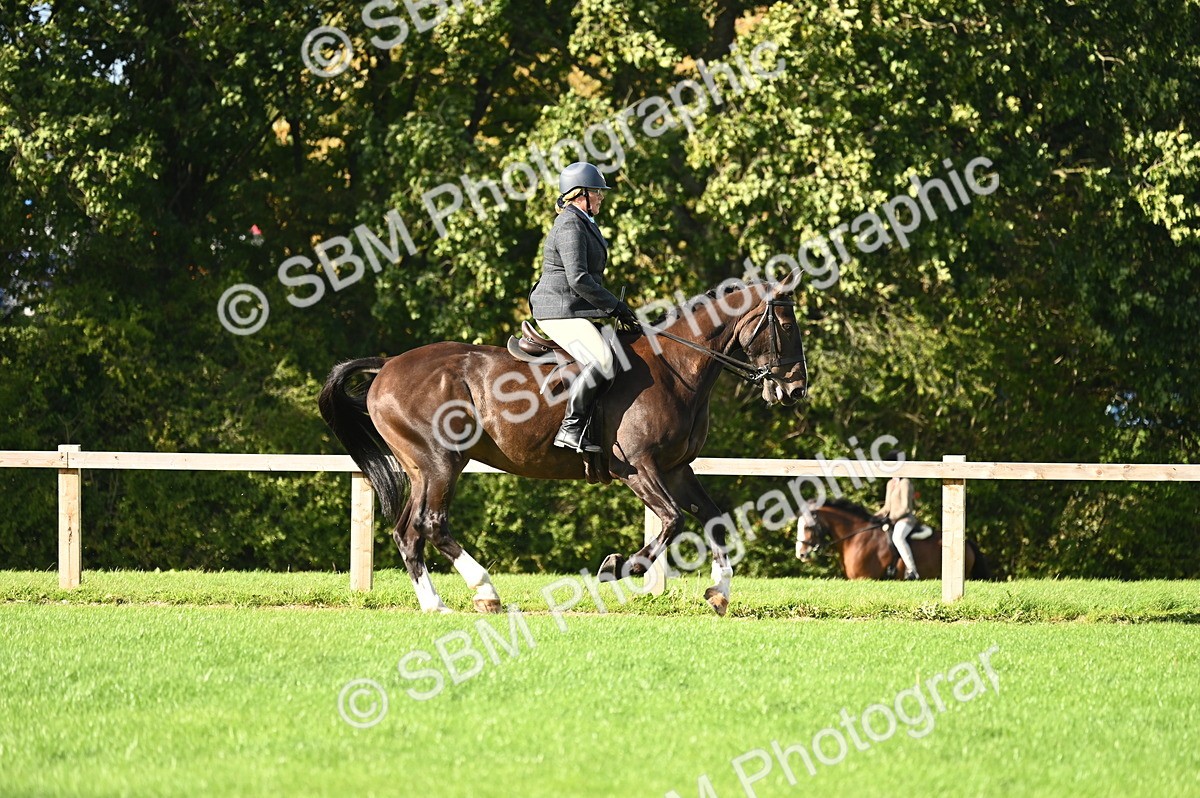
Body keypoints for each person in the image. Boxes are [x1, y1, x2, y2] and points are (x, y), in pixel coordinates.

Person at [528, 162, 640, 454]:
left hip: (572, 307)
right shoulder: (570, 225)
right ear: (580, 194)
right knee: (603, 359)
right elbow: (578, 279)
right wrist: (613, 306)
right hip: (557, 309)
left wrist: (612, 308)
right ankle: (571, 428)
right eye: (596, 192)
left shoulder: (583, 222)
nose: (601, 197)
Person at [878, 476, 922, 580]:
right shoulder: (890, 483)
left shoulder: (905, 482)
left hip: (906, 520)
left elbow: (906, 508)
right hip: (892, 521)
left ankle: (912, 571)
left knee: (898, 537)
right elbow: (887, 507)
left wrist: (891, 518)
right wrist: (873, 517)